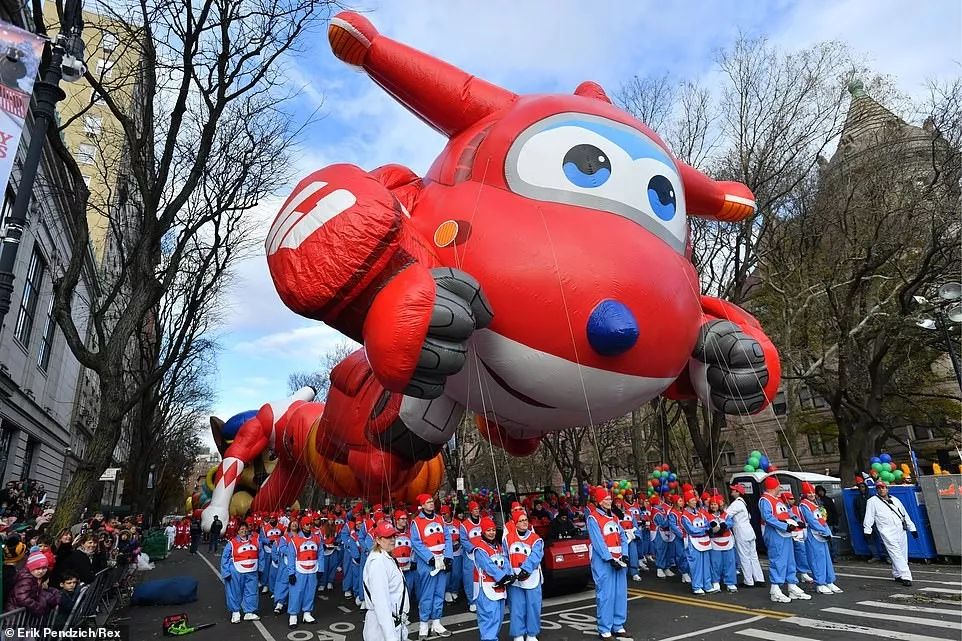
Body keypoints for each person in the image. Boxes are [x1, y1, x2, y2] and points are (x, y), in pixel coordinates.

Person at [586, 487, 632, 641]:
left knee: (620, 593)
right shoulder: (593, 518)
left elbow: (623, 537)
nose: (609, 501)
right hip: (604, 562)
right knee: (606, 595)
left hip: (618, 559)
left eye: (609, 499)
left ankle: (618, 625)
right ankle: (605, 629)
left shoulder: (614, 518)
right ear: (598, 501)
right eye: (605, 499)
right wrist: (610, 559)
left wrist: (624, 555)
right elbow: (598, 542)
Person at [758, 476, 809, 603]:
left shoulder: (778, 500)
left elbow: (788, 513)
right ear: (773, 487)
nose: (779, 488)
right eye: (778, 486)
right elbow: (768, 517)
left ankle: (792, 586)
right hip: (775, 534)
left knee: (789, 560)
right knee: (778, 561)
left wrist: (798, 521)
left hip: (786, 533)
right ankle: (775, 589)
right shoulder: (765, 500)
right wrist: (784, 526)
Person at [410, 494, 453, 640]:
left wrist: (448, 556)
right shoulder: (416, 522)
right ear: (422, 505)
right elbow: (416, 542)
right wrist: (429, 558)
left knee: (439, 593)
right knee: (427, 595)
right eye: (428, 502)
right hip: (428, 563)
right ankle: (423, 624)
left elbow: (447, 537)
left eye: (431, 501)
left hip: (441, 561)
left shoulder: (440, 518)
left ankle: (437, 622)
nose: (431, 504)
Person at [362, 520, 410, 641]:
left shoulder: (385, 557)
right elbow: (381, 603)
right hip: (383, 627)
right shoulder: (378, 562)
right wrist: (391, 637)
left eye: (393, 536)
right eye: (388, 537)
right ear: (378, 540)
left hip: (393, 621)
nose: (392, 540)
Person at [862, 481, 917, 586]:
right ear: (876, 490)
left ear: (887, 489)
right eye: (879, 488)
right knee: (896, 553)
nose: (881, 490)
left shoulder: (895, 500)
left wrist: (912, 528)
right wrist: (867, 530)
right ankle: (906, 576)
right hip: (887, 532)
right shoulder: (872, 501)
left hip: (900, 530)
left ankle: (897, 574)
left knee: (902, 553)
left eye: (883, 487)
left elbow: (904, 515)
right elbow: (869, 516)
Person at [505, 510, 544, 641]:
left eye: (526, 520)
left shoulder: (536, 538)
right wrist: (508, 573)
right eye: (521, 520)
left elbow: (536, 555)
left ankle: (532, 634)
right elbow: (505, 557)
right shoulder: (508, 538)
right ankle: (518, 634)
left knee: (533, 606)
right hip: (515, 579)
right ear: (515, 523)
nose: (524, 523)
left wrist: (526, 570)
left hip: (531, 577)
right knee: (516, 607)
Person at [473, 517, 513, 641]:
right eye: (488, 530)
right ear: (483, 532)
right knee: (489, 618)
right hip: (485, 588)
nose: (491, 532)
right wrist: (502, 577)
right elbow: (488, 565)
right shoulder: (479, 548)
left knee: (498, 618)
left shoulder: (498, 546)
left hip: (499, 588)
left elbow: (505, 561)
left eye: (493, 530)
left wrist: (508, 574)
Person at [799, 482, 842, 594]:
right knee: (817, 559)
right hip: (813, 535)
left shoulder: (816, 504)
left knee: (826, 559)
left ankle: (829, 581)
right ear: (804, 494)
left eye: (813, 492)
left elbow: (822, 520)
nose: (812, 494)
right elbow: (811, 521)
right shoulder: (804, 505)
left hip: (822, 535)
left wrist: (827, 531)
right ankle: (820, 583)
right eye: (809, 493)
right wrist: (824, 531)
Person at [286, 516, 322, 628]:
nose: (309, 525)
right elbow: (291, 557)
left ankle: (307, 613)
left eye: (310, 523)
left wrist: (320, 569)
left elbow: (320, 554)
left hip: (312, 569)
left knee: (310, 591)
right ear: (302, 525)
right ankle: (293, 615)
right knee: (296, 592)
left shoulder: (317, 538)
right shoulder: (294, 540)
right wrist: (291, 573)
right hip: (299, 570)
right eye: (306, 524)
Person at [221, 521, 261, 624]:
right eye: (241, 529)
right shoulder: (232, 543)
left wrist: (261, 569)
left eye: (245, 528)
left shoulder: (255, 541)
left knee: (252, 591)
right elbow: (224, 558)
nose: (243, 531)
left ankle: (249, 611)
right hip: (236, 571)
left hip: (252, 571)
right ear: (237, 531)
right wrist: (226, 572)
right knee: (235, 591)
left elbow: (261, 555)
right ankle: (235, 612)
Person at [727, 484, 764, 587]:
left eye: (734, 490)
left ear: (738, 492)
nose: (732, 492)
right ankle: (759, 578)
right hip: (749, 531)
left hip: (741, 531)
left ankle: (748, 581)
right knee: (753, 556)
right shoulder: (745, 503)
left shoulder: (737, 503)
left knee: (744, 556)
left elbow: (726, 514)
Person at [680, 490, 715, 595]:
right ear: (687, 502)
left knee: (706, 563)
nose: (694, 502)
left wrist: (712, 526)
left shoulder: (701, 514)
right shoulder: (684, 516)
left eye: (695, 500)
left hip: (704, 541)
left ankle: (707, 584)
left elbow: (707, 523)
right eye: (692, 500)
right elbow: (691, 530)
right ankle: (697, 586)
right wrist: (705, 530)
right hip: (693, 542)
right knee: (696, 565)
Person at [6, 550, 60, 616]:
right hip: (15, 614)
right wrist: (39, 608)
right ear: (31, 567)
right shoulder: (26, 579)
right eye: (37, 568)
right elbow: (22, 598)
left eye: (44, 568)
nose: (41, 571)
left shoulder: (33, 577)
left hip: (19, 614)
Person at [706, 493, 737, 593]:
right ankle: (715, 582)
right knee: (716, 563)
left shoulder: (726, 514)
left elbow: (730, 522)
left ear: (720, 505)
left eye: (715, 504)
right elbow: (707, 525)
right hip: (715, 542)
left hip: (727, 541)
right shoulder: (707, 515)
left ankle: (730, 582)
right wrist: (712, 528)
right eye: (712, 504)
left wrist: (724, 526)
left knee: (729, 562)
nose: (713, 506)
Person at [459, 501, 484, 613]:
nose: (477, 511)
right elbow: (463, 540)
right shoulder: (464, 525)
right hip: (471, 555)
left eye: (478, 509)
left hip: (483, 554)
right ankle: (472, 601)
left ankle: (482, 600)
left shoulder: (484, 521)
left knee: (483, 577)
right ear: (470, 511)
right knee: (469, 579)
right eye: (475, 509)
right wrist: (473, 548)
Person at [853, 481, 886, 562]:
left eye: (863, 487)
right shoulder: (857, 499)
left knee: (882, 539)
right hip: (865, 523)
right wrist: (860, 520)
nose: (862, 489)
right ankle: (875, 556)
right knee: (869, 540)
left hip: (875, 522)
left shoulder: (872, 497)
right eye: (860, 487)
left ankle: (887, 557)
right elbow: (856, 511)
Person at [785, 492, 814, 583]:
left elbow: (802, 518)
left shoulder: (797, 508)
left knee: (801, 553)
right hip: (788, 533)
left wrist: (802, 523)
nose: (792, 500)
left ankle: (803, 573)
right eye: (790, 498)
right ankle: (790, 575)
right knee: (789, 556)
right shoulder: (783, 508)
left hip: (798, 533)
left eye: (793, 498)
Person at [391, 511, 417, 599]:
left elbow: (414, 548)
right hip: (395, 567)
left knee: (408, 587)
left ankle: (405, 608)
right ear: (397, 520)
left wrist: (413, 561)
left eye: (406, 518)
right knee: (396, 588)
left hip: (408, 566)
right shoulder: (391, 533)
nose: (405, 521)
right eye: (402, 519)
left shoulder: (410, 533)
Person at [440, 505, 462, 603]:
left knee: (457, 573)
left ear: (450, 513)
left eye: (445, 513)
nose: (443, 516)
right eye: (442, 514)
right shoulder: (440, 524)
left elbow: (463, 535)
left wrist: (459, 542)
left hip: (457, 552)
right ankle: (447, 591)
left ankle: (454, 590)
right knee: (447, 573)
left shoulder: (458, 523)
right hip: (446, 553)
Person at [815, 485, 839, 561]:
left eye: (822, 491)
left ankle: (834, 556)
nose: (821, 492)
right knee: (825, 540)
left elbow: (834, 511)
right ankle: (828, 557)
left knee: (832, 540)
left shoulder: (828, 500)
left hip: (830, 522)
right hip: (822, 523)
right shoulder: (815, 501)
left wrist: (836, 523)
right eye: (819, 491)